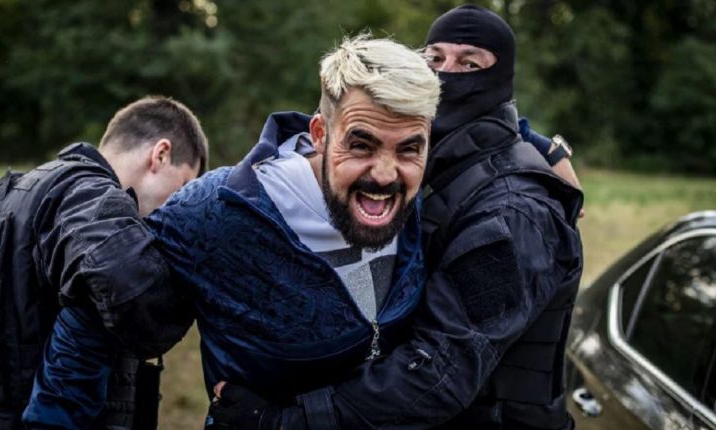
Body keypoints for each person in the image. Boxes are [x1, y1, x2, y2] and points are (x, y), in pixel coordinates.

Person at [27, 34, 441, 430]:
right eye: (361, 145)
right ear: (319, 134)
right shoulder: (219, 211)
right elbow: (102, 306)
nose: (385, 174)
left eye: (409, 148)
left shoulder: (417, 203)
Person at [209, 5, 584, 429]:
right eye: (434, 59)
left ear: (500, 79)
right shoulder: (438, 161)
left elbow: (439, 373)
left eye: (469, 64)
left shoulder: (515, 212)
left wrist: (284, 422)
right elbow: (354, 119)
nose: (446, 75)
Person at [0, 95, 207, 430]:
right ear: (160, 154)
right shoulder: (86, 192)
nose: (178, 206)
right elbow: (133, 288)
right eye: (184, 186)